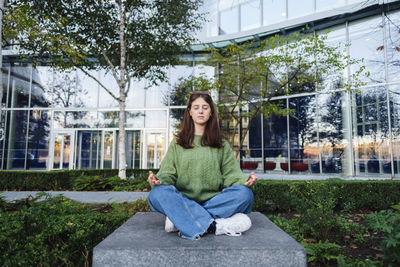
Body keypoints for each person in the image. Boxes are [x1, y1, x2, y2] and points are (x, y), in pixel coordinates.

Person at [147, 91, 258, 240]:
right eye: (196, 107)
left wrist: (244, 182)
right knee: (156, 194)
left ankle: (180, 219)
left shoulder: (221, 144)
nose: (200, 111)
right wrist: (158, 181)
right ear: (190, 112)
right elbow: (168, 173)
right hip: (183, 198)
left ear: (211, 112)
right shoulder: (178, 142)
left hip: (214, 200)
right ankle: (215, 225)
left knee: (245, 194)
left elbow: (231, 175)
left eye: (205, 107)